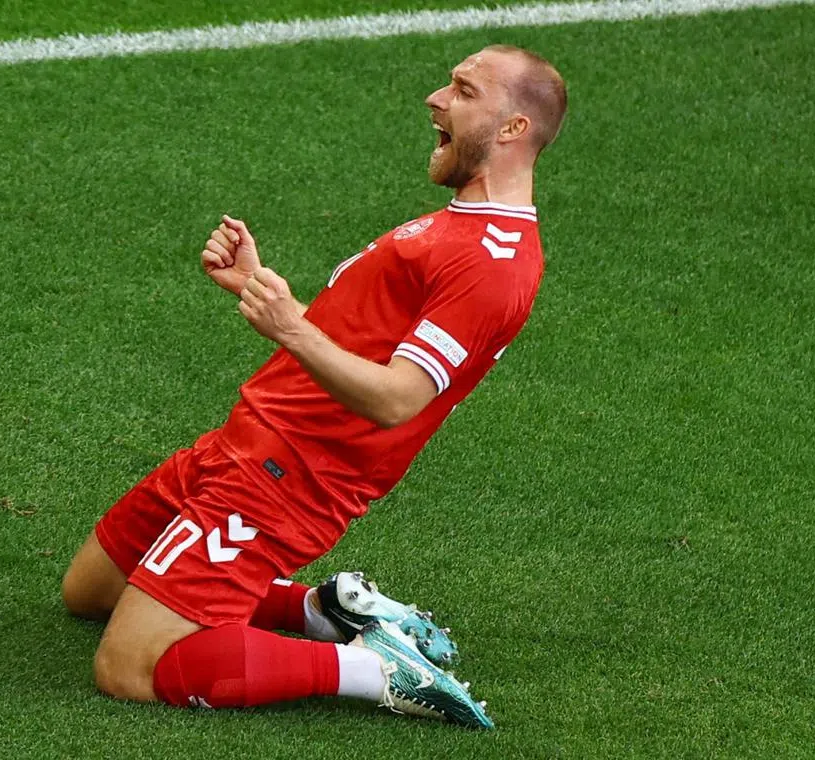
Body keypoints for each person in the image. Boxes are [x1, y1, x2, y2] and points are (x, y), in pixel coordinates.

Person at [61, 44, 567, 729]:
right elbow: (364, 337)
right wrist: (265, 292)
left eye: (463, 91)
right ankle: (321, 610)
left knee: (129, 668)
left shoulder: (492, 263)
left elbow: (398, 399)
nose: (436, 99)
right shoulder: (458, 227)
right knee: (89, 592)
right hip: (245, 443)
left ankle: (376, 670)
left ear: (513, 128)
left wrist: (291, 327)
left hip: (286, 481)